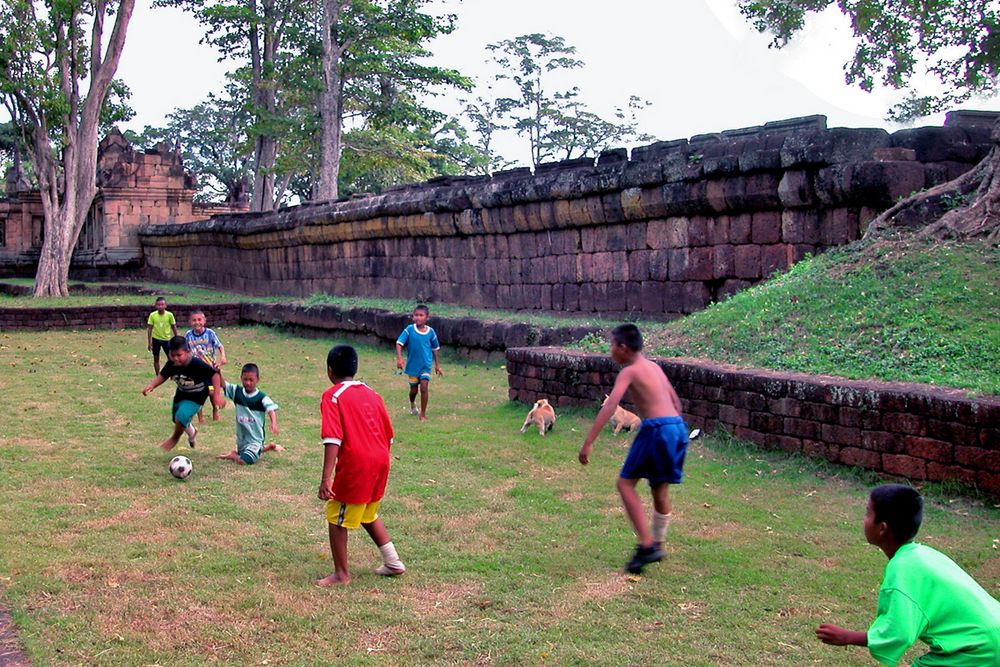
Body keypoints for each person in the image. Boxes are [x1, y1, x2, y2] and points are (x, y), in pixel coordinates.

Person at [816, 484, 1000, 666]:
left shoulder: (902, 570)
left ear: (882, 528)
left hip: (978, 648)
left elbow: (898, 632)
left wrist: (847, 636)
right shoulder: (922, 554)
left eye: (867, 513)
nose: (864, 519)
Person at [579, 323, 689, 575]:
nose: (610, 351)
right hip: (677, 428)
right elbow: (675, 402)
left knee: (625, 484)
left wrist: (589, 442)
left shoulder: (629, 371)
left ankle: (647, 545)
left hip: (657, 430)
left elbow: (609, 407)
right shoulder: (655, 368)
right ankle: (657, 543)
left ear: (623, 347)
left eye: (611, 346)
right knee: (659, 488)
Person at [316, 344, 406, 586]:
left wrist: (326, 479)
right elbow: (389, 435)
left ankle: (341, 574)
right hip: (381, 459)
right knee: (367, 511)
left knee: (336, 516)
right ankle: (393, 562)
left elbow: (333, 438)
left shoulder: (332, 395)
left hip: (359, 463)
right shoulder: (372, 393)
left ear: (330, 371)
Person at [141, 336, 225, 451]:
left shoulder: (196, 364)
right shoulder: (171, 363)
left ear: (188, 352)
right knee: (177, 419)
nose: (175, 358)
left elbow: (214, 375)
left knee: (181, 417)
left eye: (179, 355)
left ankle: (174, 439)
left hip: (197, 396)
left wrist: (216, 395)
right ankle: (192, 433)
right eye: (172, 355)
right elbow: (163, 375)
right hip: (181, 394)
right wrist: (152, 385)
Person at [216, 363, 284, 465]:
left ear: (257, 380)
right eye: (245, 379)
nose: (248, 383)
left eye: (251, 380)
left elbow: (271, 410)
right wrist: (218, 372)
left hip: (255, 440)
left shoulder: (261, 397)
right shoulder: (237, 392)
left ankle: (233, 455)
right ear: (241, 378)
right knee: (247, 453)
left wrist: (273, 423)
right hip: (242, 440)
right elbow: (223, 384)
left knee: (244, 461)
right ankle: (269, 447)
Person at [395, 304, 443, 421]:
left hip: (425, 366)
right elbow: (399, 343)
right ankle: (412, 404)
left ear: (427, 317)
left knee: (424, 387)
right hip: (412, 366)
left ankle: (423, 414)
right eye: (416, 315)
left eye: (421, 315)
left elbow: (435, 349)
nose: (418, 318)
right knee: (413, 390)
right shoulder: (409, 330)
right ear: (413, 317)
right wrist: (400, 358)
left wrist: (437, 365)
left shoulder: (431, 332)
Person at [185, 309, 227, 422]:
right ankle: (200, 417)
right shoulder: (188, 335)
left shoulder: (210, 333)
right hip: (196, 370)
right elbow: (185, 351)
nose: (197, 322)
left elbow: (220, 346)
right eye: (194, 320)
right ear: (190, 322)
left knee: (212, 392)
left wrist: (222, 356)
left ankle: (215, 409)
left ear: (204, 320)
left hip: (210, 369)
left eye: (199, 320)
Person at [146, 297, 177, 375]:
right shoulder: (153, 315)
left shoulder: (169, 315)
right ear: (156, 306)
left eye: (162, 304)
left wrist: (177, 338)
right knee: (156, 358)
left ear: (165, 305)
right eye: (158, 305)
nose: (160, 306)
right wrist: (149, 342)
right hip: (156, 339)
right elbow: (149, 329)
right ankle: (158, 375)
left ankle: (172, 374)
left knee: (170, 358)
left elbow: (173, 326)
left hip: (167, 339)